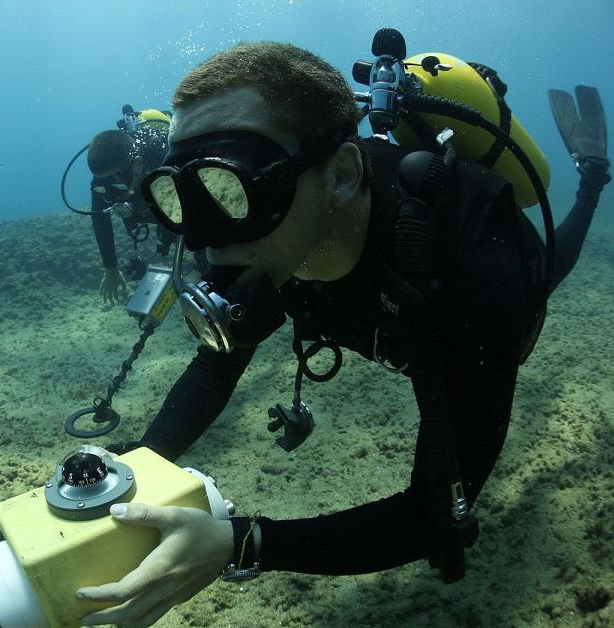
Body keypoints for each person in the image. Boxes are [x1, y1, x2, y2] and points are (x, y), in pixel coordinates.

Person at [77, 42, 610, 626]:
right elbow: (217, 362)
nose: (207, 238)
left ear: (343, 174)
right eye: (182, 196)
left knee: (552, 275)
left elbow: (433, 515)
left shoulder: (471, 272)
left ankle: (592, 175)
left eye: (233, 185)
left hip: (503, 285)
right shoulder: (274, 235)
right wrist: (145, 463)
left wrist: (240, 542)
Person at [87, 107, 176, 303]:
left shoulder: (165, 161)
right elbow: (99, 220)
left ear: (136, 165)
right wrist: (110, 267)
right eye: (102, 184)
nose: (109, 193)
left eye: (116, 184)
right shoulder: (103, 182)